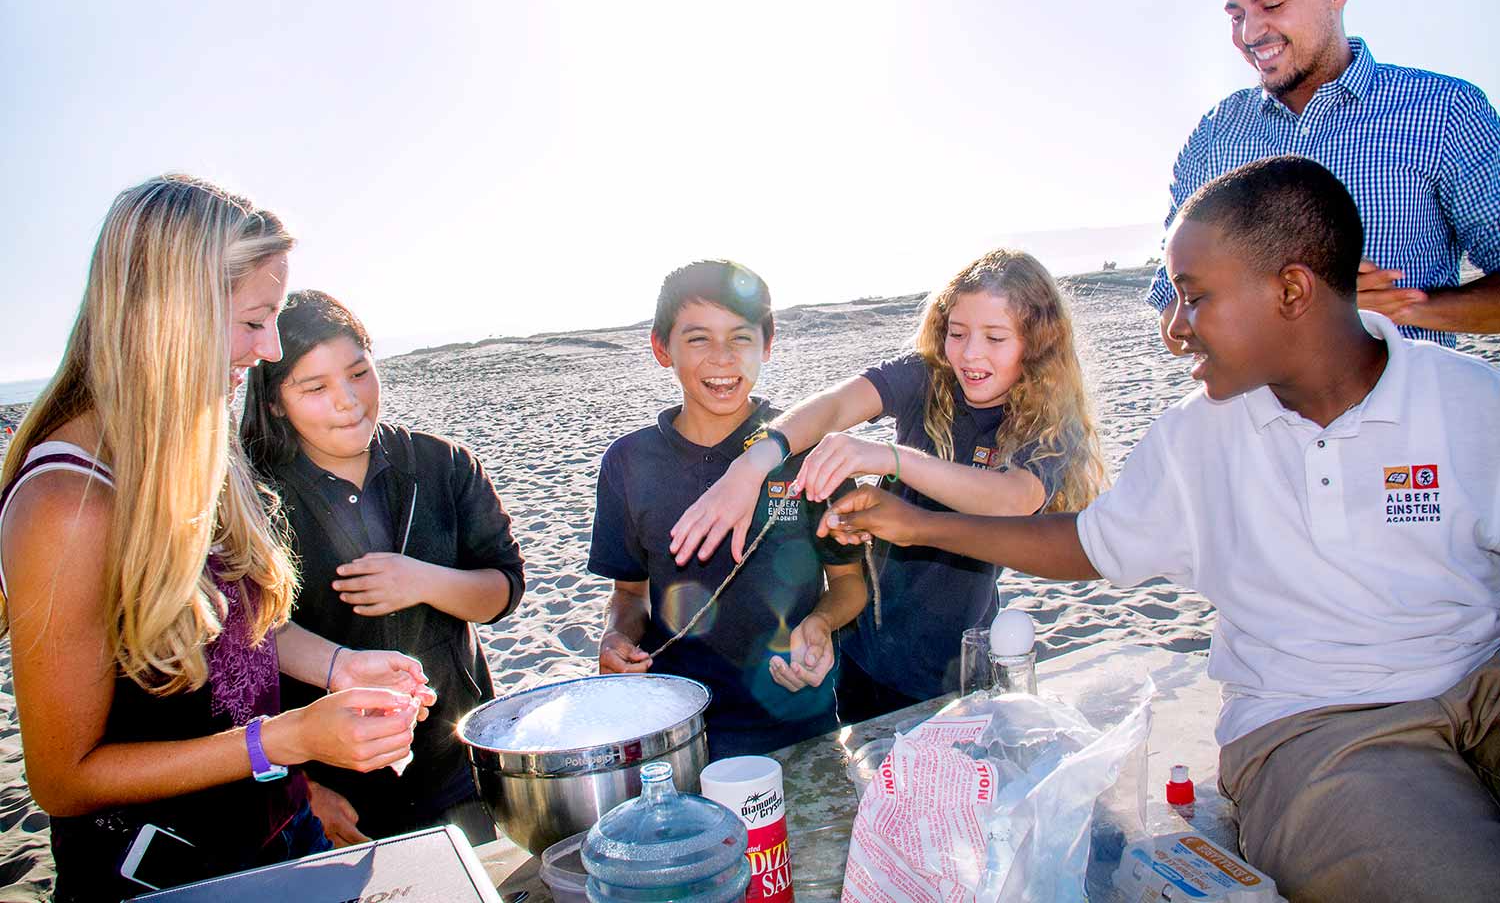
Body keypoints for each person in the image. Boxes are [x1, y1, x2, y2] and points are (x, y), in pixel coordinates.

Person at [822, 157, 1500, 902]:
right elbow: (1085, 542)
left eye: (1193, 298)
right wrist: (917, 526)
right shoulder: (1195, 436)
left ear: (1292, 291)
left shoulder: (1470, 399)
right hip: (1322, 724)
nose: (1173, 330)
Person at [0, 176, 435, 903]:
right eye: (253, 320)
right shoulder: (64, 505)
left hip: (272, 841)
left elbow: (235, 626)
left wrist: (340, 666)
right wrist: (287, 740)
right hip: (168, 879)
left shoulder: (194, 440)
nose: (268, 349)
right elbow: (62, 778)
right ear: (171, 312)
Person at [671, 250, 1107, 723]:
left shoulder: (1049, 419)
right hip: (865, 652)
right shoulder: (926, 376)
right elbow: (835, 406)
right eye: (956, 333)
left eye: (995, 337)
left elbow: (1013, 499)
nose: (969, 353)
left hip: (955, 666)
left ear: (1037, 343)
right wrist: (753, 465)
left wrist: (890, 458)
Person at [241, 290, 525, 847]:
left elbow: (504, 590)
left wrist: (422, 580)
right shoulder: (250, 493)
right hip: (329, 783)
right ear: (275, 401)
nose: (348, 401)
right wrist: (300, 788)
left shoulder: (442, 464)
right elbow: (239, 648)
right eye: (315, 387)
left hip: (455, 759)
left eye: (358, 373)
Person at [1147, 0, 1500, 350]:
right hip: (1246, 418)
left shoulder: (1445, 111)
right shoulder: (1214, 136)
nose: (1250, 32)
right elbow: (1172, 325)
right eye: (1236, 15)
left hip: (1404, 413)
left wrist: (1405, 308)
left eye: (1272, 4)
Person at [589, 260, 868, 759]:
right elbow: (630, 593)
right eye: (698, 339)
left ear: (767, 343)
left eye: (740, 338)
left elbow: (848, 585)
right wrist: (615, 637)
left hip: (797, 723)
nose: (722, 359)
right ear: (661, 348)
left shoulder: (806, 452)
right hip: (676, 733)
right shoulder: (628, 463)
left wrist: (821, 624)